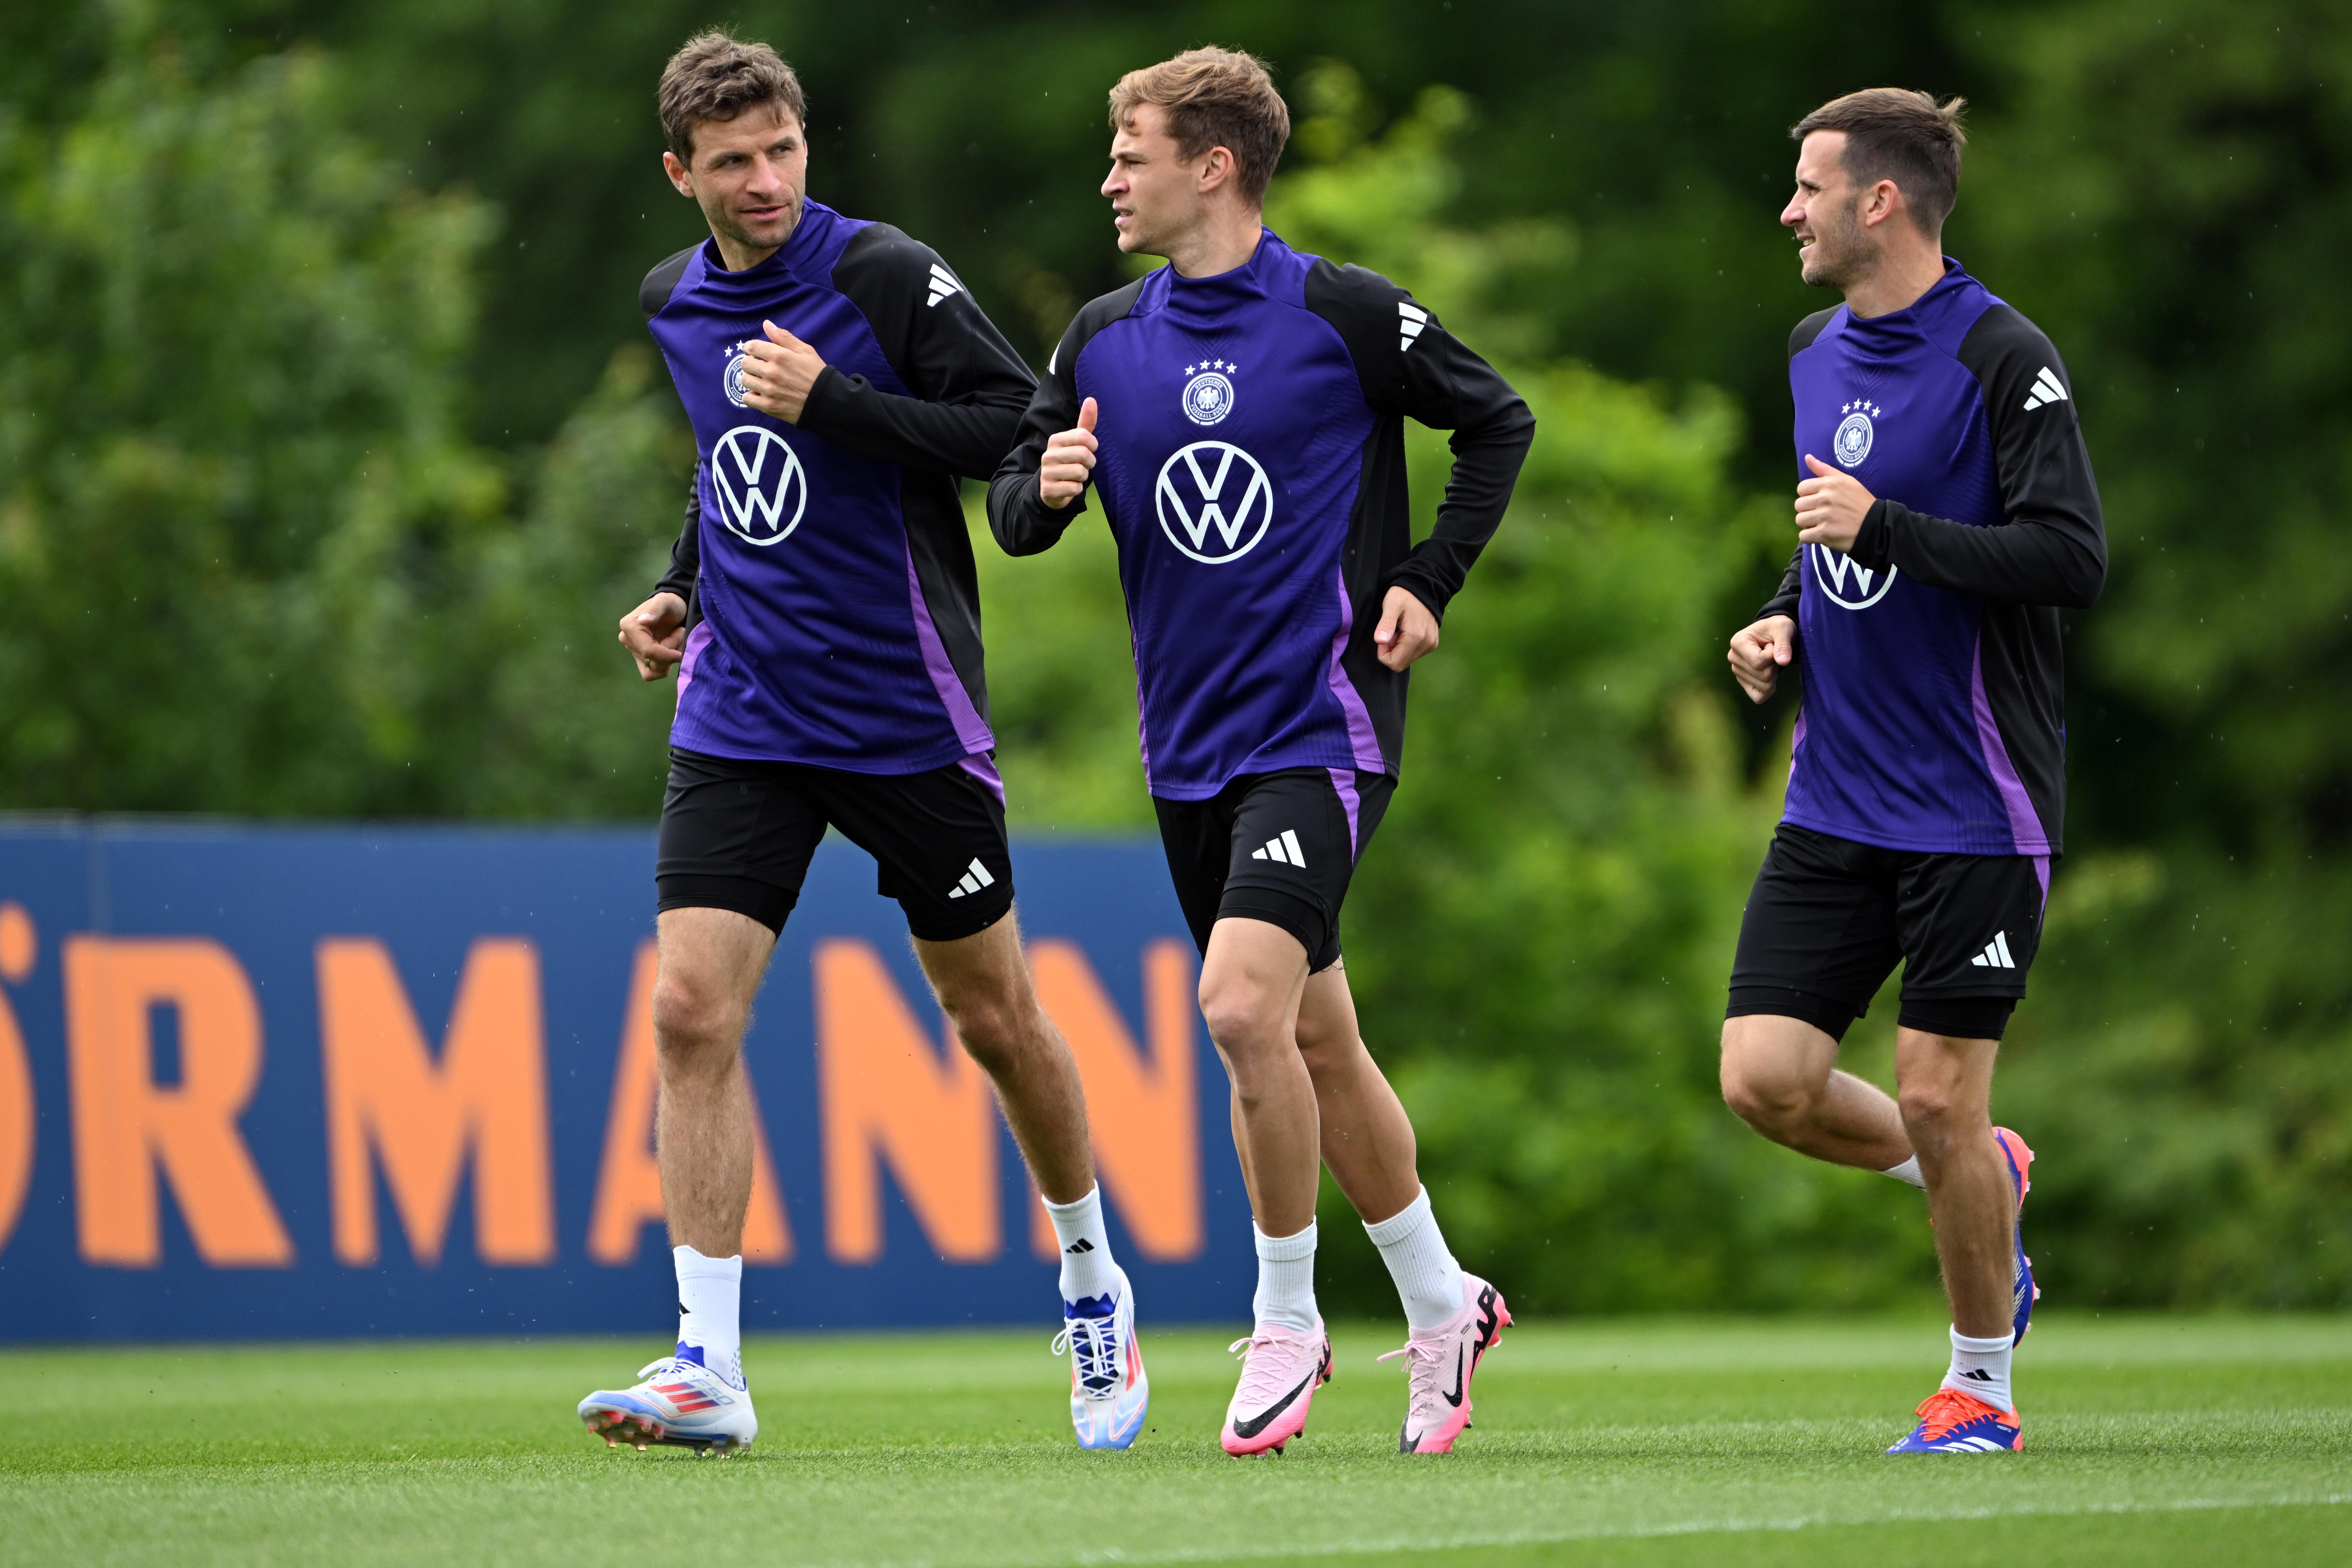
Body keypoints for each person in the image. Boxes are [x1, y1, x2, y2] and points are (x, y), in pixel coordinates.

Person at [580, 30, 1147, 1455]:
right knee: (688, 1011)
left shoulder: (882, 274)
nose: (762, 181)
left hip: (903, 713)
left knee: (994, 1020)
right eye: (730, 163)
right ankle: (708, 1358)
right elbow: (730, 473)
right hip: (742, 711)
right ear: (679, 174)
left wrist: (832, 400)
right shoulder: (673, 303)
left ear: (804, 143)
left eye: (780, 151)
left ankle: (1090, 1275)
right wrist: (683, 586)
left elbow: (1010, 432)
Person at [988, 47, 1535, 1458]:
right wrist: (1039, 491)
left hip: (1324, 726)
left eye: (1133, 151)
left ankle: (1286, 1312)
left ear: (1213, 166)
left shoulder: (1341, 314)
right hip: (1189, 749)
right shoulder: (1102, 335)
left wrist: (1431, 572)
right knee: (1314, 1035)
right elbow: (1015, 499)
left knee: (1240, 1008)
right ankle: (1441, 1296)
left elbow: (1495, 419)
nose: (1109, 177)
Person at [1720, 89, 2106, 1455]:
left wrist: (1885, 529)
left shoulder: (2005, 357)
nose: (1790, 210)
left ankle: (1979, 1387)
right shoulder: (1812, 347)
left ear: (1880, 200)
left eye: (1808, 186)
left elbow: (2071, 559)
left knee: (1940, 1088)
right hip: (1835, 793)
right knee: (1762, 1076)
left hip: (1972, 796)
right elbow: (1833, 539)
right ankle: (1980, 1181)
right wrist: (1785, 609)